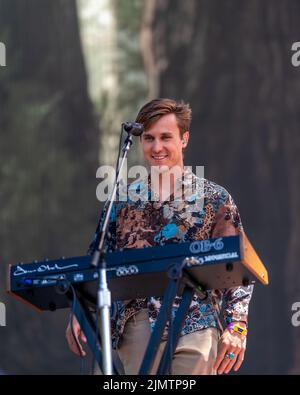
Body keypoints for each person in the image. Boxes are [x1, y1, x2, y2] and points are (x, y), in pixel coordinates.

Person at [66, 98, 253, 375]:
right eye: (149, 138)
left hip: (197, 321)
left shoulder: (214, 199)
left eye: (166, 137)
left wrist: (236, 326)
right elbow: (97, 263)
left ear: (184, 139)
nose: (157, 147)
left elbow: (240, 269)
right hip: (136, 326)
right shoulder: (122, 202)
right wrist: (81, 309)